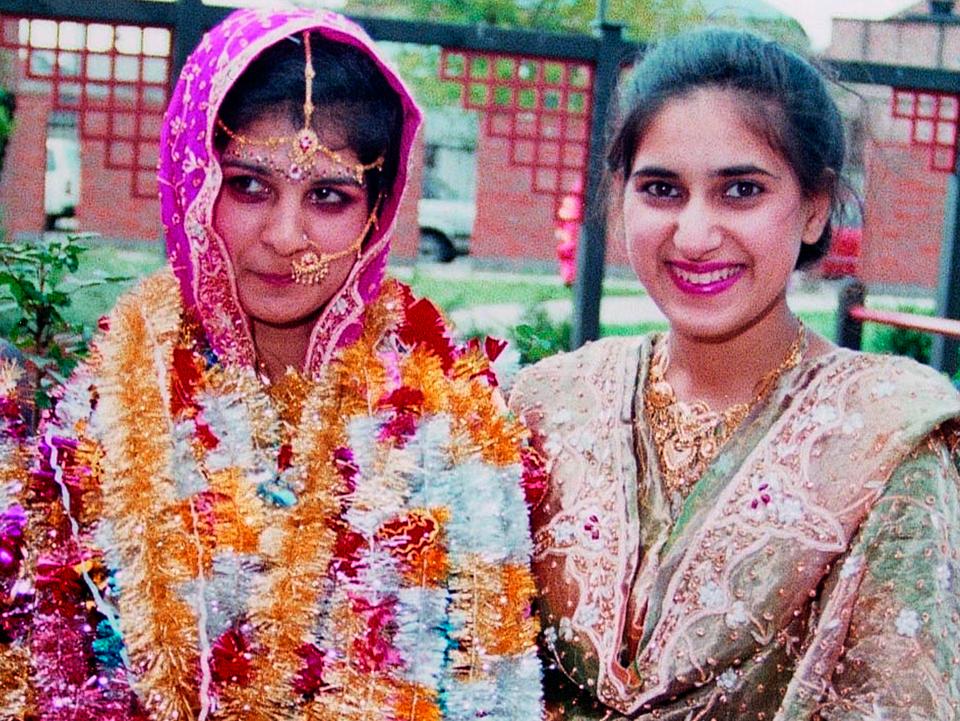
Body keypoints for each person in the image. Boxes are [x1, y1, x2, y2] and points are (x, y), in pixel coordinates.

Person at [21, 8, 543, 720]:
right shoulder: (103, 411)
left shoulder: (449, 420)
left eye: (328, 195)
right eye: (249, 186)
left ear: (377, 211)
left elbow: (495, 685)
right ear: (193, 181)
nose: (285, 235)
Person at [509, 27, 960, 720]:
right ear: (620, 196)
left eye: (741, 191)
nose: (693, 234)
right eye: (661, 188)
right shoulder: (545, 407)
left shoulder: (887, 439)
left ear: (815, 207)